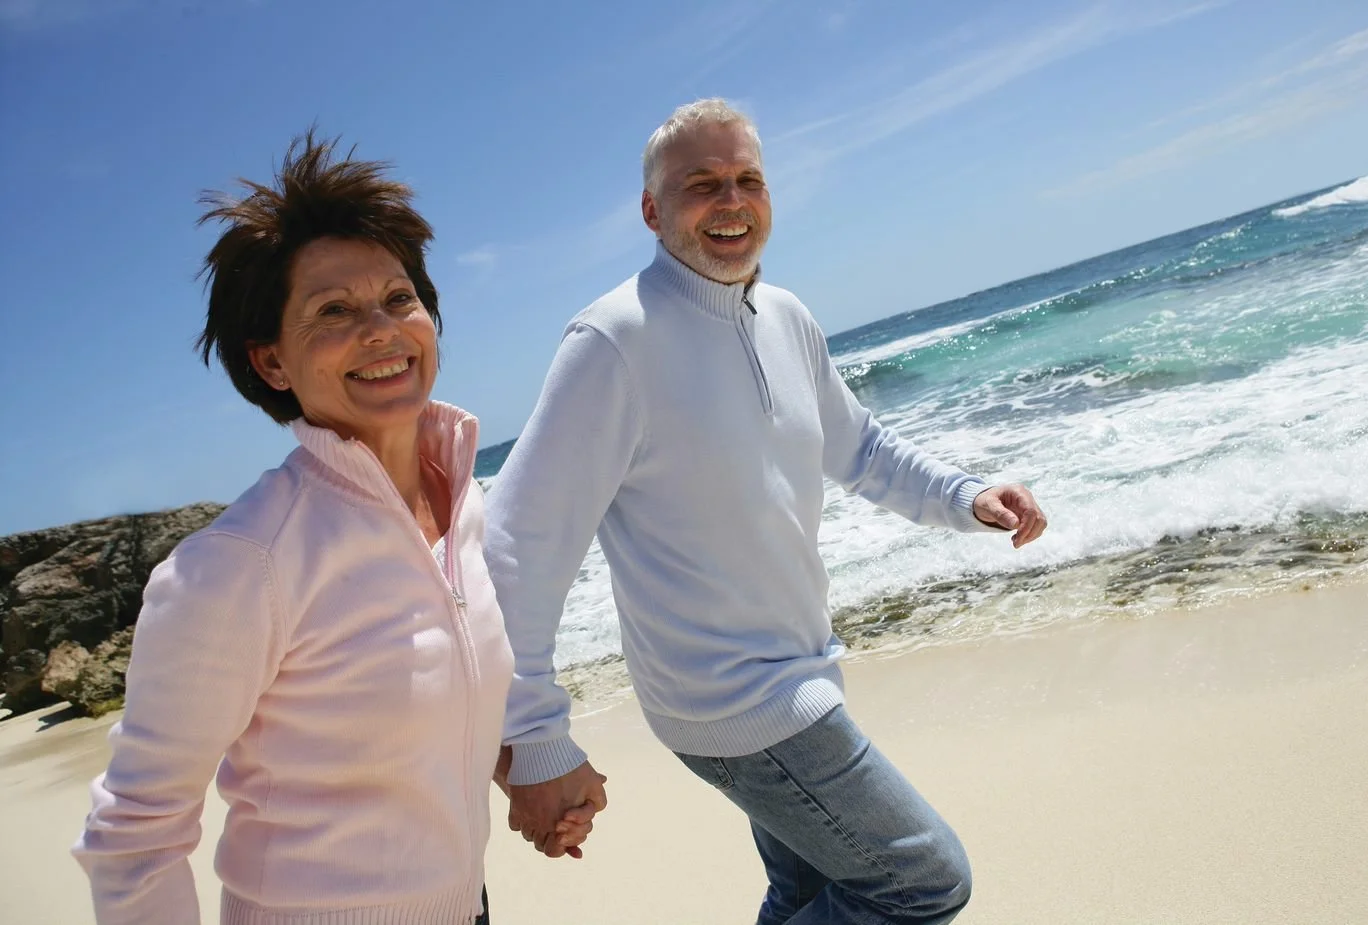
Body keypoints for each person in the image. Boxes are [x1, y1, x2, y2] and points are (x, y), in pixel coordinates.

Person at [485, 99, 1047, 923]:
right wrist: (534, 740)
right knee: (924, 880)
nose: (732, 200)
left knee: (811, 889)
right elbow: (522, 548)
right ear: (652, 209)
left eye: (748, 179)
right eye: (702, 184)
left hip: (798, 670)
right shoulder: (612, 341)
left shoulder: (786, 315)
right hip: (733, 704)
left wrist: (964, 495)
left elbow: (858, 446)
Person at [72, 133, 593, 925]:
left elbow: (414, 701)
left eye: (398, 298)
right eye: (333, 312)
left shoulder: (462, 506)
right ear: (272, 361)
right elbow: (131, 833)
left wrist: (525, 765)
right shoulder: (244, 561)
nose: (381, 329)